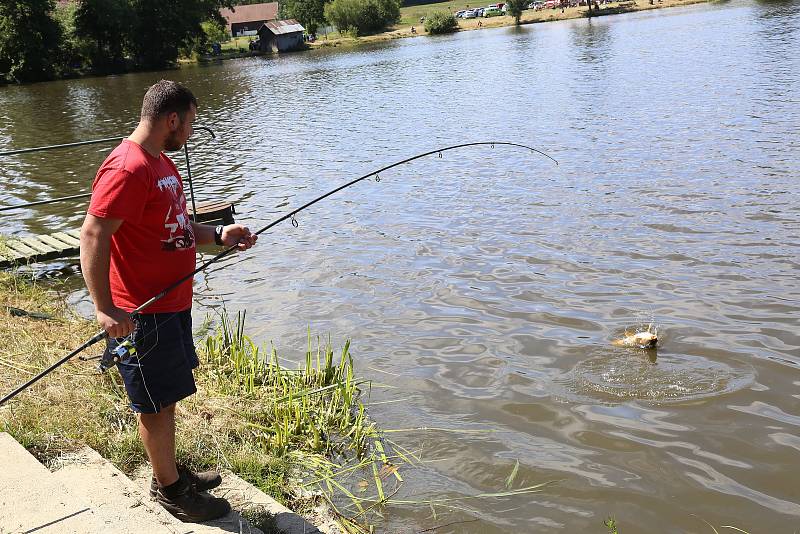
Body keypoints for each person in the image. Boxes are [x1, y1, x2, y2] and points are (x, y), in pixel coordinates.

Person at [80, 80, 257, 523]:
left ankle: (169, 473)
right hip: (142, 312)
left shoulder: (160, 163)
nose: (192, 132)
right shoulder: (128, 168)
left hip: (172, 304)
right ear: (172, 119)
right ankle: (171, 492)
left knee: (168, 394)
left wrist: (218, 236)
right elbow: (93, 234)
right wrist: (105, 307)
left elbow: (176, 226)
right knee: (154, 403)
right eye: (191, 122)